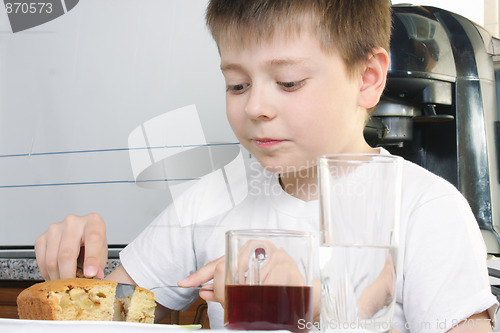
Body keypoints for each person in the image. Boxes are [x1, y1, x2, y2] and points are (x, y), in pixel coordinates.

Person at [34, 0, 498, 331]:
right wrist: (81, 274)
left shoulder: (426, 210)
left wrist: (317, 315)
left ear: (367, 78)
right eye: (237, 84)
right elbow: (116, 311)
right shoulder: (214, 198)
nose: (255, 107)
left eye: (288, 82)